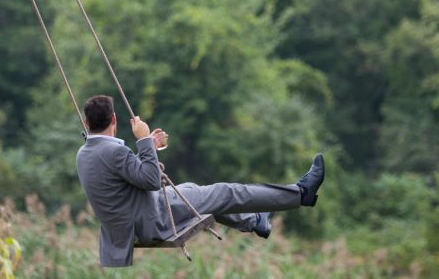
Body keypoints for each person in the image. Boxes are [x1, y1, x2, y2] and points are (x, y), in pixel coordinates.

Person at [76, 95, 325, 267]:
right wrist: (142, 140)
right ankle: (300, 194)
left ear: (86, 123)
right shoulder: (115, 152)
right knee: (226, 192)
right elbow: (151, 180)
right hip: (153, 219)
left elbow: (124, 175)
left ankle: (256, 221)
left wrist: (149, 146)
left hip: (134, 222)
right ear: (115, 120)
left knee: (192, 189)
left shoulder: (84, 154)